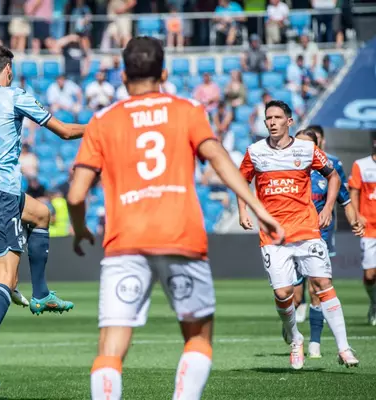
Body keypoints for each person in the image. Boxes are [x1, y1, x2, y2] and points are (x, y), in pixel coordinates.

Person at [67, 36, 284, 400]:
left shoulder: (102, 121)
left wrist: (79, 230)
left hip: (125, 243)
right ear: (164, 74)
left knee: (110, 349)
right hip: (181, 236)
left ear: (123, 76)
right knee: (198, 337)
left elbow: (75, 196)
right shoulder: (188, 110)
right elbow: (217, 158)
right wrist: (258, 208)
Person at [0, 42, 84, 390]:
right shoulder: (13, 96)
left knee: (41, 213)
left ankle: (41, 293)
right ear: (8, 70)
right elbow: (65, 131)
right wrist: (100, 128)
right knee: (6, 275)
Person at [237, 100, 359, 370]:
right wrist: (242, 210)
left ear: (289, 121)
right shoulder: (255, 152)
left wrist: (327, 207)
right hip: (273, 234)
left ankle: (343, 348)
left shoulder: (306, 149)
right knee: (283, 293)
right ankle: (295, 337)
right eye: (268, 118)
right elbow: (241, 180)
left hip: (306, 229)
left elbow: (333, 176)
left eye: (277, 117)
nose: (272, 122)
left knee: (323, 283)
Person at [292, 129, 364, 358]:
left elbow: (345, 199)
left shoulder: (328, 170)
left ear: (316, 147)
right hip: (291, 237)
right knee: (294, 296)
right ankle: (290, 327)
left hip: (319, 236)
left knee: (318, 287)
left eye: (307, 144)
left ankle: (315, 342)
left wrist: (354, 222)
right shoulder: (286, 168)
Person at [348, 137, 376, 326]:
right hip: (370, 228)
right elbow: (354, 192)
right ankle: (374, 303)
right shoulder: (361, 165)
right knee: (370, 275)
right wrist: (357, 215)